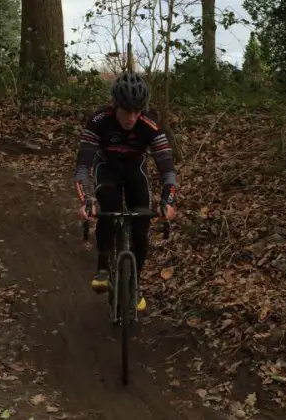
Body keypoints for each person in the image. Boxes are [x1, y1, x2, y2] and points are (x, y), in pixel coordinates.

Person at [73, 71, 177, 313]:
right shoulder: (99, 120)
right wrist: (87, 200)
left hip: (134, 173)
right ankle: (102, 266)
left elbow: (168, 171)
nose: (131, 118)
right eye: (126, 111)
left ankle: (134, 284)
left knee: (141, 228)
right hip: (106, 169)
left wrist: (167, 201)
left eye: (137, 111)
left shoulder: (150, 124)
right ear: (115, 105)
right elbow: (83, 168)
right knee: (108, 206)